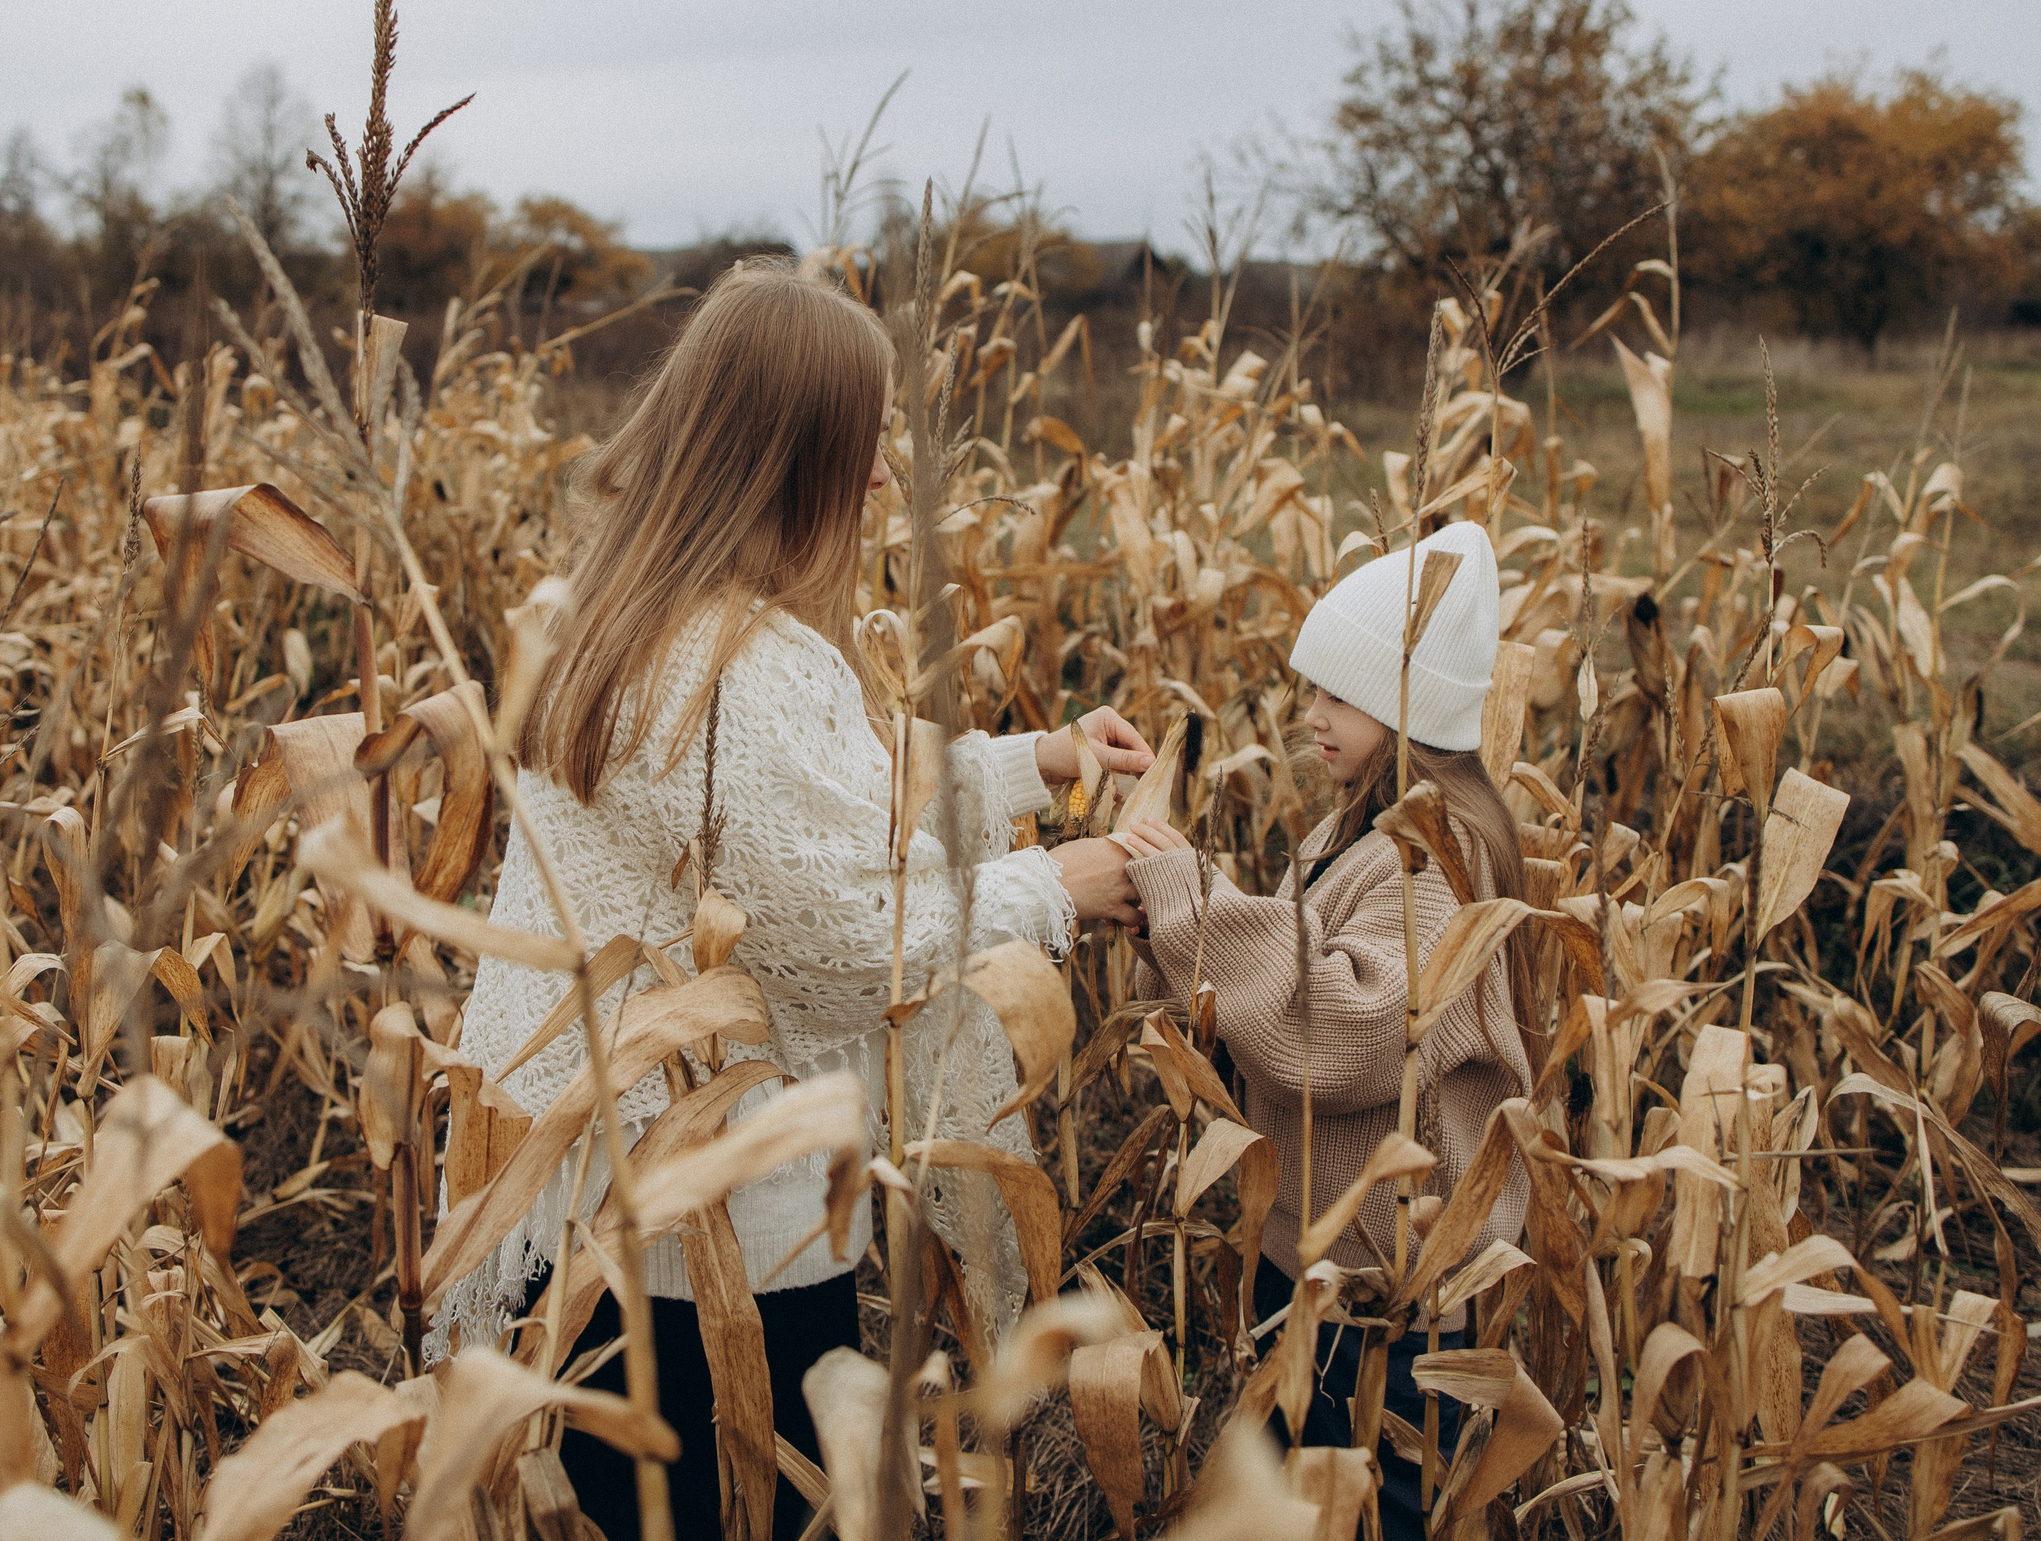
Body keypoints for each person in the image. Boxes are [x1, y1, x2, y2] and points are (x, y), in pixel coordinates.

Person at [443, 259, 1152, 1541]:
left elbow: (813, 817)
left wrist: (1028, 766)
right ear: (790, 458)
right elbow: (851, 942)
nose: (886, 478)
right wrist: (1057, 889)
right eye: (866, 444)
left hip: (592, 1202)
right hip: (718, 1229)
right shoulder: (746, 668)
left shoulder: (620, 611)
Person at [1111, 519, 1535, 1541]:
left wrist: (1191, 901)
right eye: (1310, 692)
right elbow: (1277, 993)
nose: (1310, 718)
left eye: (1340, 696)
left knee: (1364, 1504)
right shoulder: (1351, 833)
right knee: (1296, 1492)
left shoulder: (1433, 859)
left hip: (1389, 1286)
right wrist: (1175, 939)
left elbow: (1347, 1035)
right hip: (1319, 1256)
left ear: (1414, 708)